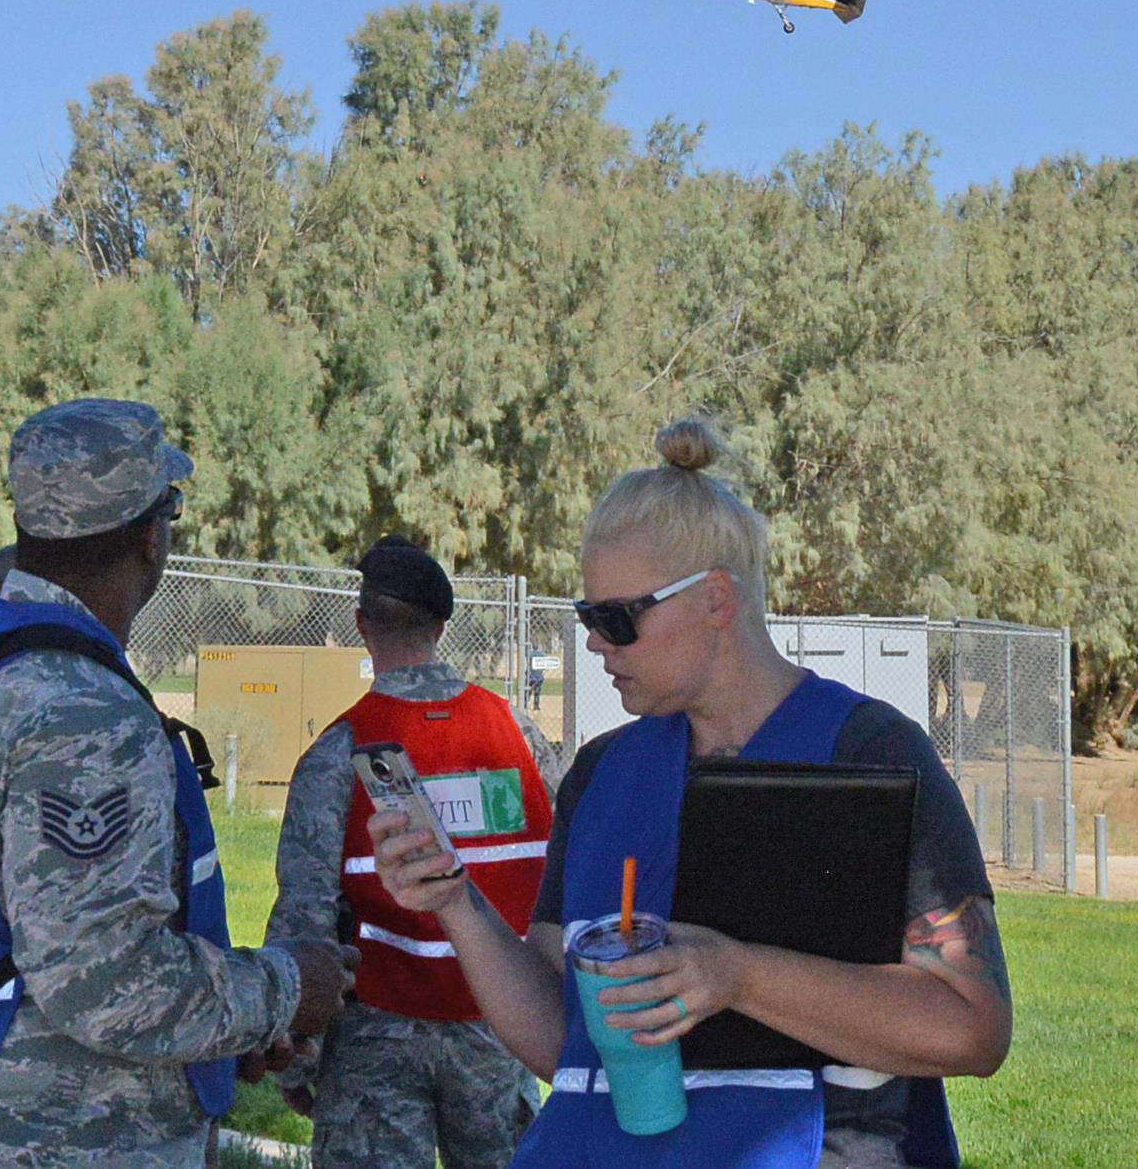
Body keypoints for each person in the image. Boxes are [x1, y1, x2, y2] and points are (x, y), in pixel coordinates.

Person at [370, 419, 1011, 1169]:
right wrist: (456, 902)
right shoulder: (603, 773)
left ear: (714, 600)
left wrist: (734, 975)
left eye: (616, 619)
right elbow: (563, 1046)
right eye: (586, 617)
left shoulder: (869, 755)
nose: (596, 643)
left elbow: (971, 1028)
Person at [0, 398, 356, 1169]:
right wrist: (288, 988)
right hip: (47, 1140)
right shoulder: (78, 710)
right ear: (153, 535)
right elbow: (107, 981)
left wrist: (228, 1030)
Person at [267, 535, 563, 1169]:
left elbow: (304, 919)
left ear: (361, 625)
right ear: (442, 625)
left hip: (374, 1036)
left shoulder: (338, 754)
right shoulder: (519, 737)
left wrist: (295, 1052)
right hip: (503, 1024)